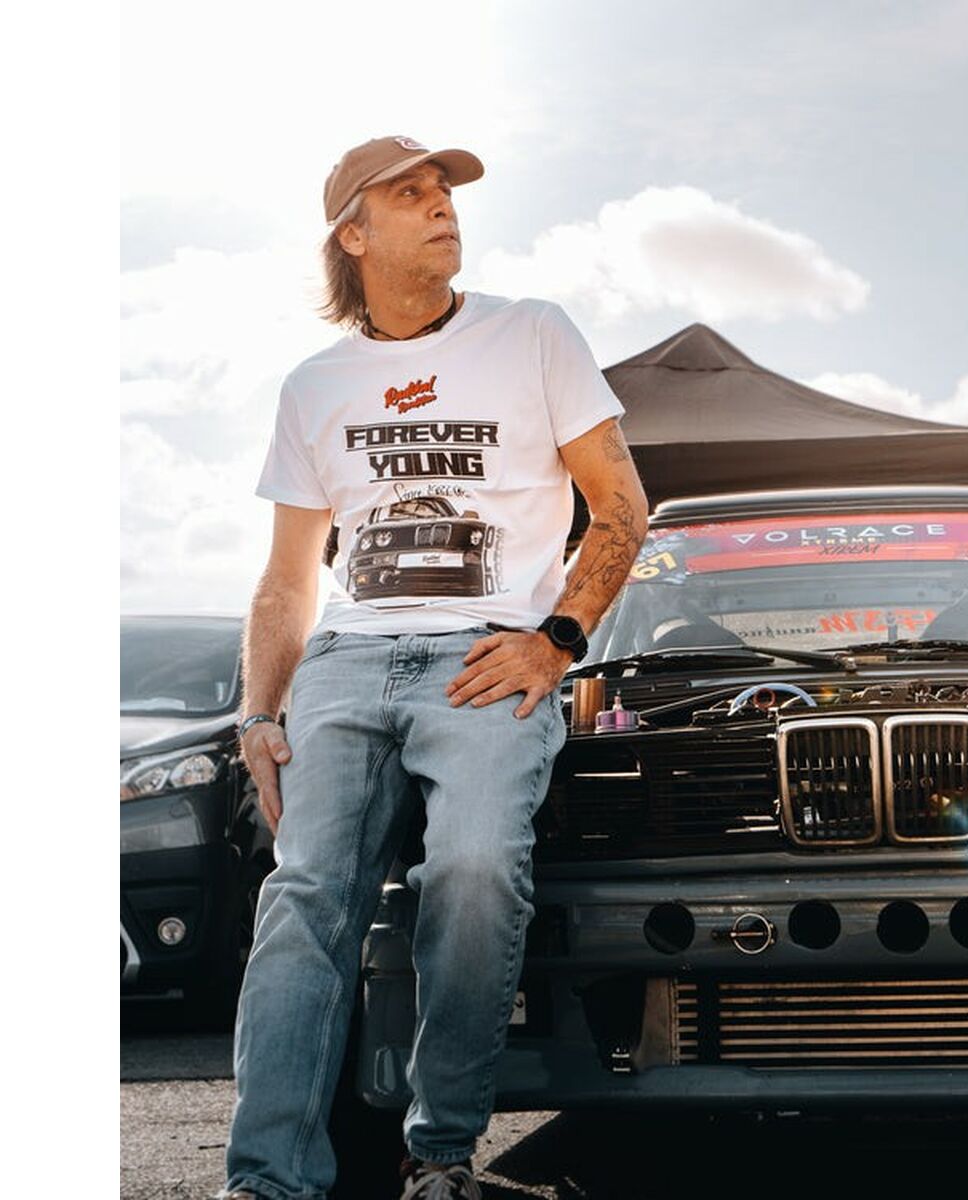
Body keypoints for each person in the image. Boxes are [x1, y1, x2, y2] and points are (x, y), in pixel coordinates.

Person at [219, 134, 648, 1200]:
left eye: (444, 191)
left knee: (475, 869)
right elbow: (286, 579)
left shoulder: (534, 333)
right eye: (409, 195)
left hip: (490, 656)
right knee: (305, 897)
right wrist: (258, 715)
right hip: (345, 660)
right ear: (353, 237)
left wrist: (556, 641)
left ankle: (440, 1154)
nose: (441, 206)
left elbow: (621, 508)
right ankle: (267, 1179)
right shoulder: (315, 385)